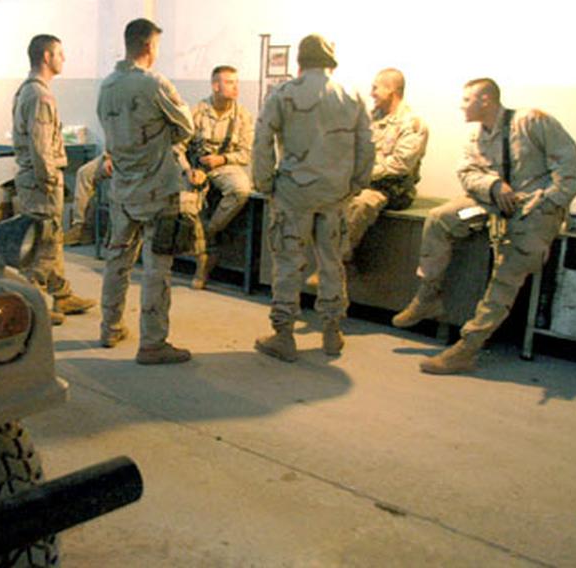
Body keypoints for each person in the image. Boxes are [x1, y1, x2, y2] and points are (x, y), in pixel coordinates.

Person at [392, 78, 576, 374]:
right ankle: (429, 295)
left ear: (486, 100)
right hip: (494, 201)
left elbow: (569, 168)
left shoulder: (532, 122)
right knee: (441, 217)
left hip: (537, 208)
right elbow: (466, 172)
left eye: (466, 99)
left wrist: (545, 204)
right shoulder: (477, 137)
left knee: (507, 272)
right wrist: (493, 186)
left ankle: (468, 346)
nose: (461, 105)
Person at [251, 34, 374, 362]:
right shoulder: (352, 95)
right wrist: (357, 183)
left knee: (289, 262)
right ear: (331, 62)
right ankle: (332, 331)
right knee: (332, 261)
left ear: (299, 62)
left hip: (294, 192)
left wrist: (264, 183)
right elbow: (367, 143)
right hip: (335, 193)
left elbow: (262, 139)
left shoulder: (283, 94)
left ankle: (284, 334)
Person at [96, 18, 195, 365]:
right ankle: (153, 342)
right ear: (149, 47)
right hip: (157, 191)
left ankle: (109, 327)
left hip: (122, 190)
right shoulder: (154, 84)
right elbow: (186, 127)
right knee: (157, 269)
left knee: (116, 261)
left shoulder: (107, 86)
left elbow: (110, 133)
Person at [11, 34, 96, 325]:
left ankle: (62, 294)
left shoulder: (28, 89)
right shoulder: (40, 95)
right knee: (42, 244)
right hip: (40, 182)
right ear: (46, 57)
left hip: (35, 179)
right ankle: (33, 303)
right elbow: (40, 145)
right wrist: (48, 181)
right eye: (60, 54)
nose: (63, 59)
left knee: (52, 239)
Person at [181, 65, 254, 289]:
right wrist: (188, 170)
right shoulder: (197, 112)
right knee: (184, 205)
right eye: (230, 82)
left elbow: (246, 153)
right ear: (215, 86)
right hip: (197, 166)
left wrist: (221, 160)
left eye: (237, 82)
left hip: (224, 165)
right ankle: (202, 259)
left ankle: (209, 232)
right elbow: (179, 146)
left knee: (241, 189)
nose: (235, 87)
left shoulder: (242, 115)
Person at [346, 68, 428, 259]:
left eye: (375, 88)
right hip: (366, 182)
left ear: (391, 89)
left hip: (394, 189)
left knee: (360, 203)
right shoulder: (371, 119)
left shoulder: (412, 124)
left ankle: (335, 262)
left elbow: (400, 165)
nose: (371, 93)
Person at [63, 152, 112, 246]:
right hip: (117, 153)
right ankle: (80, 226)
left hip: (138, 154)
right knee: (84, 173)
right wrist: (108, 157)